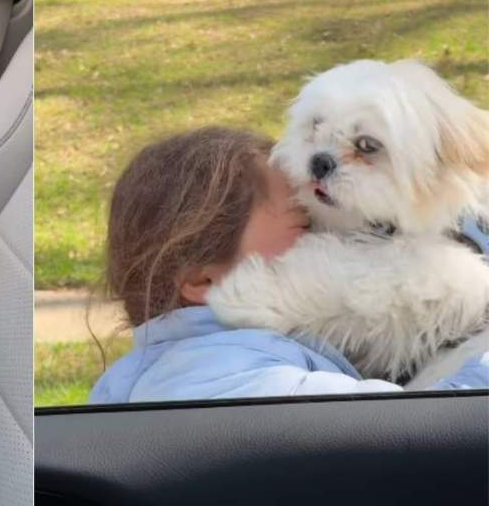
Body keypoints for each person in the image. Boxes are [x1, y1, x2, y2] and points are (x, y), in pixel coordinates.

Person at [90, 127, 489, 404]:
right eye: (306, 223)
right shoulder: (220, 376)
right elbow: (409, 433)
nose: (334, 238)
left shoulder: (200, 364)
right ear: (202, 278)